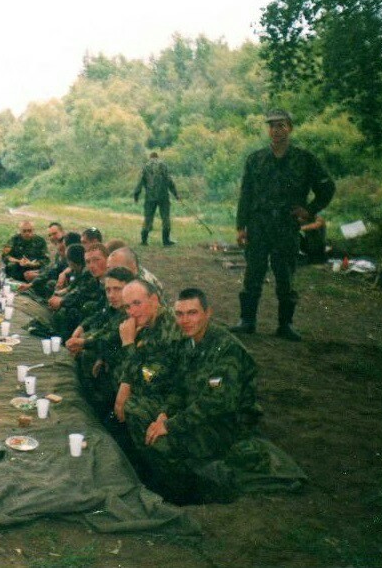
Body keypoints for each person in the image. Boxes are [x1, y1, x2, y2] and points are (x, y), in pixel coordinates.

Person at [137, 288, 262, 504]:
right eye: (179, 314)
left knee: (163, 442)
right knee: (145, 421)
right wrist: (164, 415)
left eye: (192, 313)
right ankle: (171, 484)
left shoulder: (228, 350)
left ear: (208, 313)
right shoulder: (190, 342)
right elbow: (180, 386)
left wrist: (172, 425)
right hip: (199, 413)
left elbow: (215, 404)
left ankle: (183, 496)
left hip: (229, 424)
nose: (185, 320)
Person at [232, 109, 335, 341]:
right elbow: (245, 195)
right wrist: (241, 227)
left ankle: (285, 325)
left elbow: (327, 188)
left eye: (281, 125)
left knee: (285, 276)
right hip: (258, 225)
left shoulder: (305, 159)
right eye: (272, 126)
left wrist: (309, 210)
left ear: (290, 127)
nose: (276, 130)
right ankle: (247, 321)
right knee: (253, 274)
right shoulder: (255, 159)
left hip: (286, 227)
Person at [112, 280, 185, 472]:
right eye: (128, 306)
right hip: (166, 386)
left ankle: (156, 470)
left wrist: (128, 344)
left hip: (177, 393)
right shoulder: (147, 323)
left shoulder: (168, 327)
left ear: (154, 299)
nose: (132, 311)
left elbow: (150, 379)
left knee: (133, 407)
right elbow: (135, 368)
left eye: (137, 303)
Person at [66, 266, 135, 421]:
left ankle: (101, 413)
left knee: (93, 357)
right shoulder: (116, 307)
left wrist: (84, 343)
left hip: (133, 367)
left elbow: (112, 337)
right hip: (119, 356)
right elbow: (105, 328)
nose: (111, 295)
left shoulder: (132, 311)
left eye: (117, 289)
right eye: (108, 290)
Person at [49, 243, 108, 339]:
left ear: (108, 259)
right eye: (88, 262)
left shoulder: (114, 281)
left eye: (96, 260)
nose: (92, 266)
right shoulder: (98, 278)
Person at [134, 151, 179, 246]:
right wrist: (175, 193)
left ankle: (144, 240)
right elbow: (169, 180)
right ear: (157, 157)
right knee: (165, 217)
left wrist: (136, 194)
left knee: (148, 218)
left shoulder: (145, 167)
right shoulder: (163, 165)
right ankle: (166, 241)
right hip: (163, 196)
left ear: (150, 157)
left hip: (150, 197)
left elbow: (140, 182)